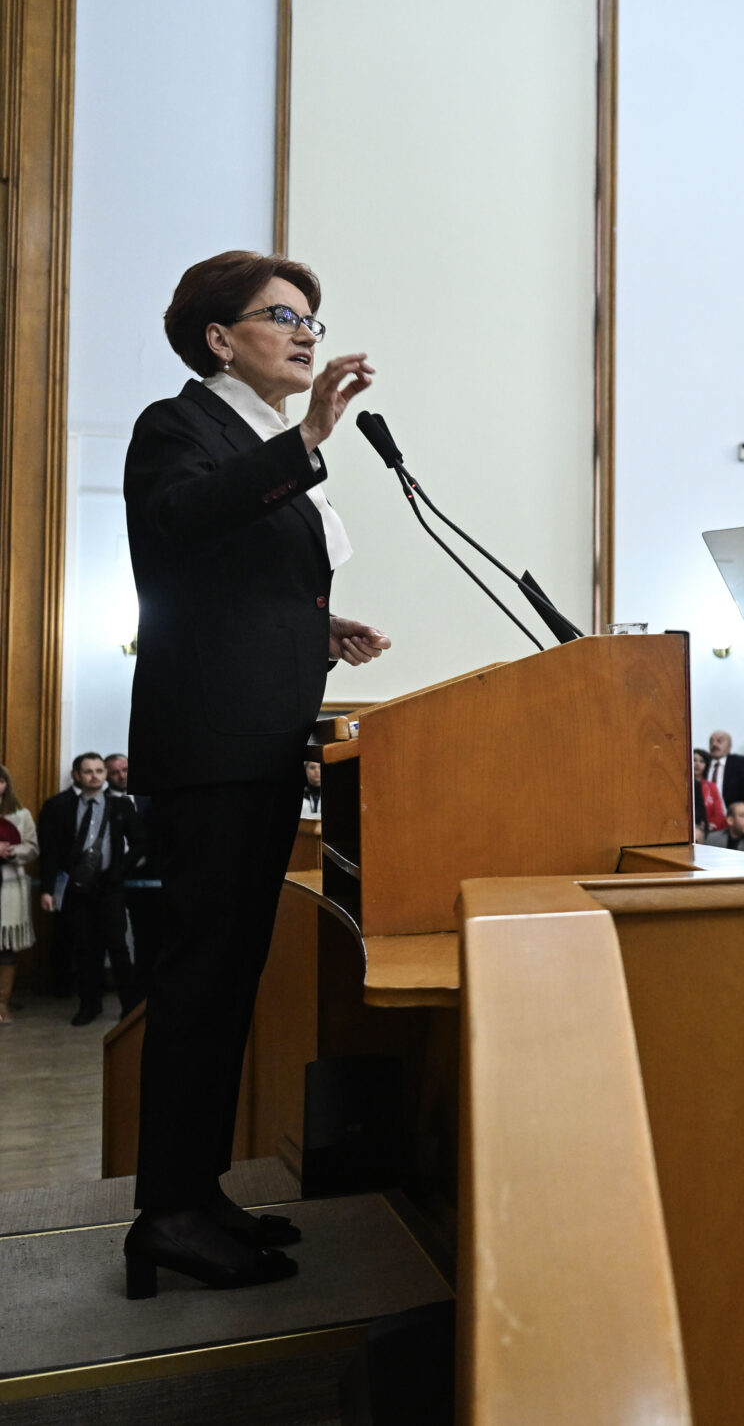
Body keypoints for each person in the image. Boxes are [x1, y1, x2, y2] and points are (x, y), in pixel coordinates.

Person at [122, 251, 392, 1296]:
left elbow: (233, 585)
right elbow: (181, 528)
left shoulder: (257, 443)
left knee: (226, 987)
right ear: (219, 338)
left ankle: (194, 1195)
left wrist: (322, 628)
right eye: (283, 315)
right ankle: (167, 1215)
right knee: (196, 988)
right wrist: (314, 438)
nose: (307, 332)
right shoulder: (177, 425)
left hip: (261, 741)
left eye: (315, 318)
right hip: (212, 752)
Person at [38, 754, 143, 1024]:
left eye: (99, 770)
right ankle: (89, 1005)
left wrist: (120, 870)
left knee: (118, 947)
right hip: (77, 889)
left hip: (110, 887)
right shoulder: (63, 807)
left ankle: (129, 1007)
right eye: (88, 771)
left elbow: (142, 843)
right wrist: (48, 890)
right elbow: (52, 852)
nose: (94, 776)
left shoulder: (120, 806)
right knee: (85, 948)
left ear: (105, 775)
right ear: (77, 775)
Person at [0, 765, 37, 1024]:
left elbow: (33, 848)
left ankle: (2, 1005)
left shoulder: (20, 814)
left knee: (4, 947)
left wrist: (10, 851)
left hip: (9, 887)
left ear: (6, 784)